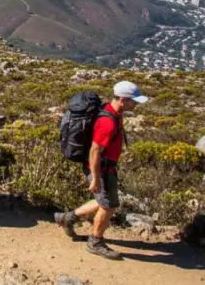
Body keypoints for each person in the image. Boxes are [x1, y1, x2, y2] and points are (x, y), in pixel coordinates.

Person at [55, 81, 150, 260]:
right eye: (133, 101)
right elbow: (94, 150)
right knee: (109, 205)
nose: (135, 104)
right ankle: (95, 242)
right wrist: (96, 178)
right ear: (122, 99)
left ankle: (67, 218)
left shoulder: (113, 111)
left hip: (106, 166)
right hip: (100, 168)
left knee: (103, 201)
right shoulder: (107, 122)